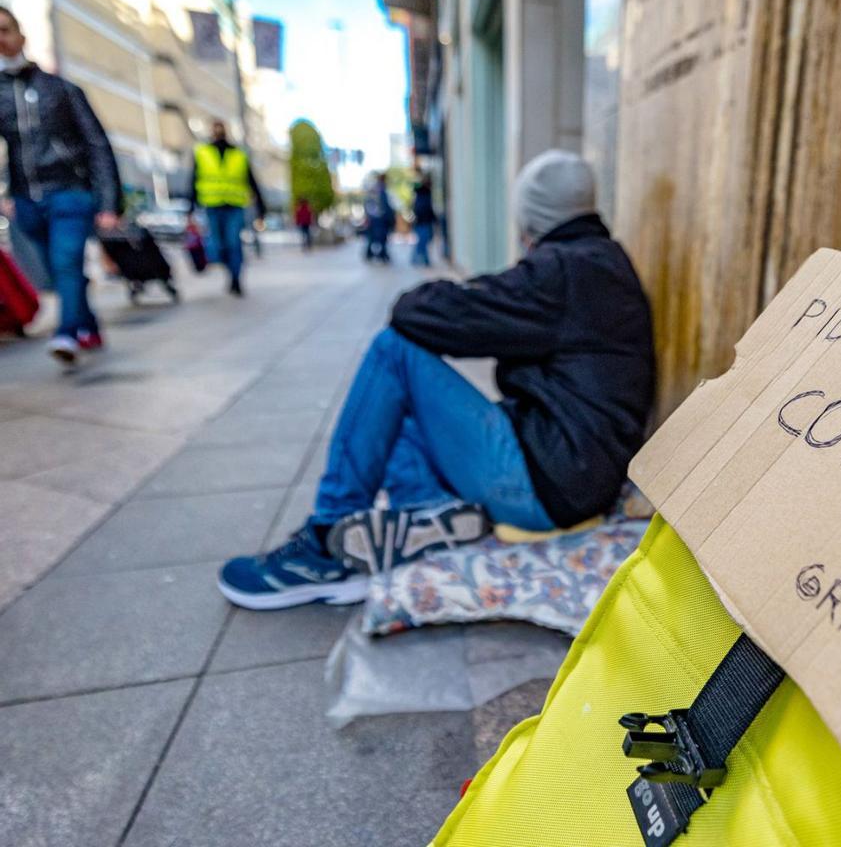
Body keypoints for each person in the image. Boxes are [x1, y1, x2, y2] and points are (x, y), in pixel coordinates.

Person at [217, 150, 656, 610]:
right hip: (574, 475)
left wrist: (477, 288)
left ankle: (328, 544)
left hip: (551, 483)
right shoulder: (598, 262)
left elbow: (417, 313)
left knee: (394, 352)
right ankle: (428, 514)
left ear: (531, 216)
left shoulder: (563, 272)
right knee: (395, 408)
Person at [0, 6, 121, 365]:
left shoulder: (61, 89)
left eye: (5, 30)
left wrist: (109, 202)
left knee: (66, 262)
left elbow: (97, 144)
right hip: (26, 199)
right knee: (58, 270)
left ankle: (66, 333)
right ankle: (88, 324)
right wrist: (5, 195)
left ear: (21, 35)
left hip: (70, 192)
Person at [189, 119, 265, 296]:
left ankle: (236, 279)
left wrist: (261, 207)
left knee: (233, 243)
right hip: (212, 206)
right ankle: (230, 270)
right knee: (216, 247)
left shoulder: (239, 154)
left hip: (234, 206)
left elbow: (251, 181)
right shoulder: (202, 152)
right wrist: (190, 208)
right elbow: (193, 180)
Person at [362, 172, 395, 263]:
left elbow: (368, 205)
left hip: (374, 219)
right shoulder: (381, 190)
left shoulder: (373, 189)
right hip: (380, 219)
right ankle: (381, 255)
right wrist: (390, 218)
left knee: (373, 238)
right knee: (381, 238)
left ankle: (374, 254)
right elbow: (385, 206)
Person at [411, 175, 437, 266]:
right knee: (423, 241)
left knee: (423, 241)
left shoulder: (423, 194)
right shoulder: (423, 194)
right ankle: (421, 260)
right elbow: (424, 209)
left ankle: (421, 259)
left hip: (423, 221)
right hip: (422, 221)